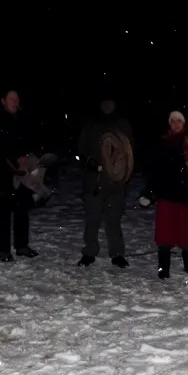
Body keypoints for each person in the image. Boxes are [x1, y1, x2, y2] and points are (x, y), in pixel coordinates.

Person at [140, 111, 188, 279]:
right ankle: (163, 268)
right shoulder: (163, 143)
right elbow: (155, 171)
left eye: (179, 121)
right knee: (165, 232)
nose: (176, 124)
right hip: (166, 194)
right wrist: (148, 192)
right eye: (173, 121)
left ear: (184, 123)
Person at [77, 97, 135, 268]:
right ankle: (89, 252)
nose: (108, 106)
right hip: (94, 181)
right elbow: (81, 149)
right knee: (92, 219)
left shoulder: (122, 124)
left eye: (111, 102)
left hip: (115, 182)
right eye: (104, 102)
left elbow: (130, 153)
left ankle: (117, 253)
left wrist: (125, 175)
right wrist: (88, 162)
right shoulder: (91, 124)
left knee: (114, 220)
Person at [0, 90, 40, 261]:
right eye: (11, 98)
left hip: (23, 172)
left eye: (16, 98)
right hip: (4, 172)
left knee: (22, 208)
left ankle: (22, 245)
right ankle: (4, 250)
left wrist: (29, 156)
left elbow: (32, 140)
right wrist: (13, 160)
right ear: (3, 101)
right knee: (4, 211)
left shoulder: (24, 119)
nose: (14, 101)